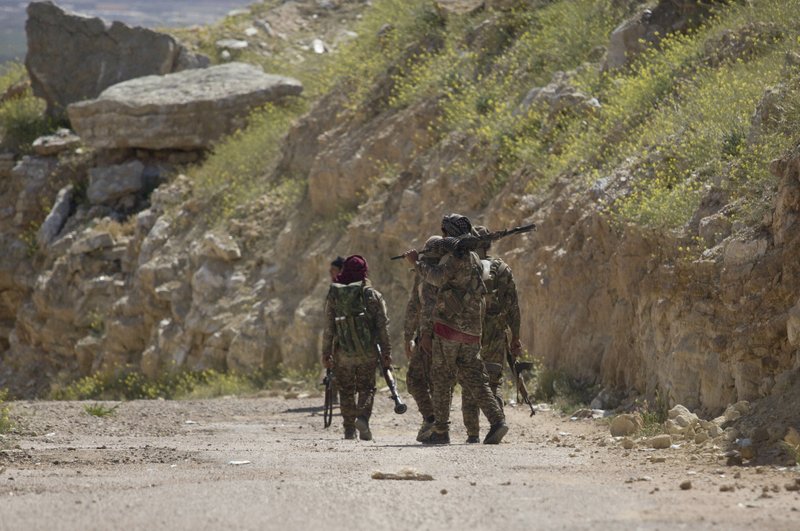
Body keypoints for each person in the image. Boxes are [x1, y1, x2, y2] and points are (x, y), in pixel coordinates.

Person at [403, 214, 508, 445]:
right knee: (475, 378)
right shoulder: (474, 259)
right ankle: (497, 421)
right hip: (472, 331)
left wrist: (416, 264)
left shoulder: (454, 257)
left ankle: (441, 430)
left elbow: (437, 278)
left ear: (448, 233)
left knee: (441, 377)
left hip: (449, 329)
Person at [461, 225, 523, 443]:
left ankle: (472, 433)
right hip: (496, 334)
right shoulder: (502, 269)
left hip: (469, 333)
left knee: (470, 382)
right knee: (492, 382)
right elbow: (513, 307)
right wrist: (515, 337)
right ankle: (498, 422)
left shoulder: (465, 268)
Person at [321, 255, 392, 440]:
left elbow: (329, 328)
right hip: (368, 351)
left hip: (343, 352)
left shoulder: (335, 295)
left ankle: (349, 430)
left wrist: (326, 353)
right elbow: (382, 327)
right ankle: (362, 418)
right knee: (367, 388)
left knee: (345, 389)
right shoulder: (372, 295)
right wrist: (387, 353)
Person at [403, 235, 444, 442]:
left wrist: (421, 335)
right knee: (434, 382)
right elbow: (414, 306)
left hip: (432, 336)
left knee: (416, 380)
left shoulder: (427, 273)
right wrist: (409, 336)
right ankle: (435, 422)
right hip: (449, 335)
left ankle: (434, 422)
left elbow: (422, 307)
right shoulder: (444, 270)